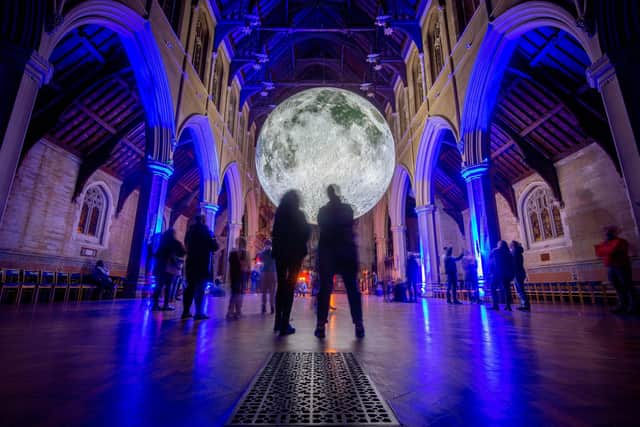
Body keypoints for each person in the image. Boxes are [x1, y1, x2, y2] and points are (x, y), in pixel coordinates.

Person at [315, 185, 364, 339]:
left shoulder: (322, 211)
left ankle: (320, 325)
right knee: (352, 290)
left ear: (328, 195)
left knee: (324, 290)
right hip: (346, 252)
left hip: (328, 252)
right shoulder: (347, 209)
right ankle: (359, 324)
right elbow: (350, 225)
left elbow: (321, 228)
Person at [271, 190, 311, 336]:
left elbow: (274, 233)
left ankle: (277, 321)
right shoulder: (298, 215)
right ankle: (285, 323)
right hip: (294, 254)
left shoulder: (279, 214)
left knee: (281, 286)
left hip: (280, 253)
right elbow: (306, 232)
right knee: (290, 286)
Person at [183, 215, 219, 320]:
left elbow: (186, 244)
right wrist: (213, 238)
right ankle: (199, 312)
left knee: (189, 288)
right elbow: (214, 247)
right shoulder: (205, 231)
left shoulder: (190, 231)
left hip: (190, 262)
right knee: (200, 288)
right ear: (203, 221)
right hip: (202, 263)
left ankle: (186, 311)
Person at [595, 226, 636, 313]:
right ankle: (622, 304)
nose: (606, 234)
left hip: (621, 266)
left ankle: (633, 305)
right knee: (617, 287)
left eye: (608, 232)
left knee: (627, 285)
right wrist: (604, 249)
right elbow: (598, 252)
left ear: (613, 232)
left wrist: (605, 249)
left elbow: (610, 250)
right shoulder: (605, 243)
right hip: (610, 267)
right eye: (605, 232)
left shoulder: (620, 241)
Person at [152, 228, 186, 311]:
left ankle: (155, 304)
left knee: (159, 286)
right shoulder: (175, 243)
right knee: (169, 286)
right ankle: (166, 305)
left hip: (161, 267)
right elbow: (183, 252)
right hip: (170, 267)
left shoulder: (163, 243)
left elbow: (156, 254)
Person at [227, 237, 249, 319]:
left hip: (233, 274)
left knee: (234, 293)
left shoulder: (232, 253)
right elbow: (244, 265)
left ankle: (230, 311)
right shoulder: (244, 253)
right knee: (239, 294)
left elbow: (230, 264)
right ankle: (238, 311)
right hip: (241, 274)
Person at [489, 240, 514, 311]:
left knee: (493, 288)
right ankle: (508, 306)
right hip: (507, 273)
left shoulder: (495, 251)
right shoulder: (509, 253)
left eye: (498, 243)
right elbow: (512, 264)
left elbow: (491, 260)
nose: (497, 244)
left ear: (499, 244)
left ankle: (495, 305)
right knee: (507, 289)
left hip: (497, 272)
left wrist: (491, 271)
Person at [510, 241, 530, 311]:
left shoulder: (515, 252)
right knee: (520, 289)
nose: (510, 246)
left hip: (517, 273)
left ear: (513, 245)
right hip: (520, 272)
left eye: (511, 245)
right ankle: (524, 304)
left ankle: (525, 305)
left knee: (520, 290)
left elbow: (514, 264)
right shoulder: (518, 251)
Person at [258, 239, 276, 314]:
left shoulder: (262, 253)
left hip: (264, 272)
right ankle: (272, 306)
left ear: (265, 245)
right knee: (272, 291)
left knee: (264, 291)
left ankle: (263, 306)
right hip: (272, 273)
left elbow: (261, 259)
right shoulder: (274, 252)